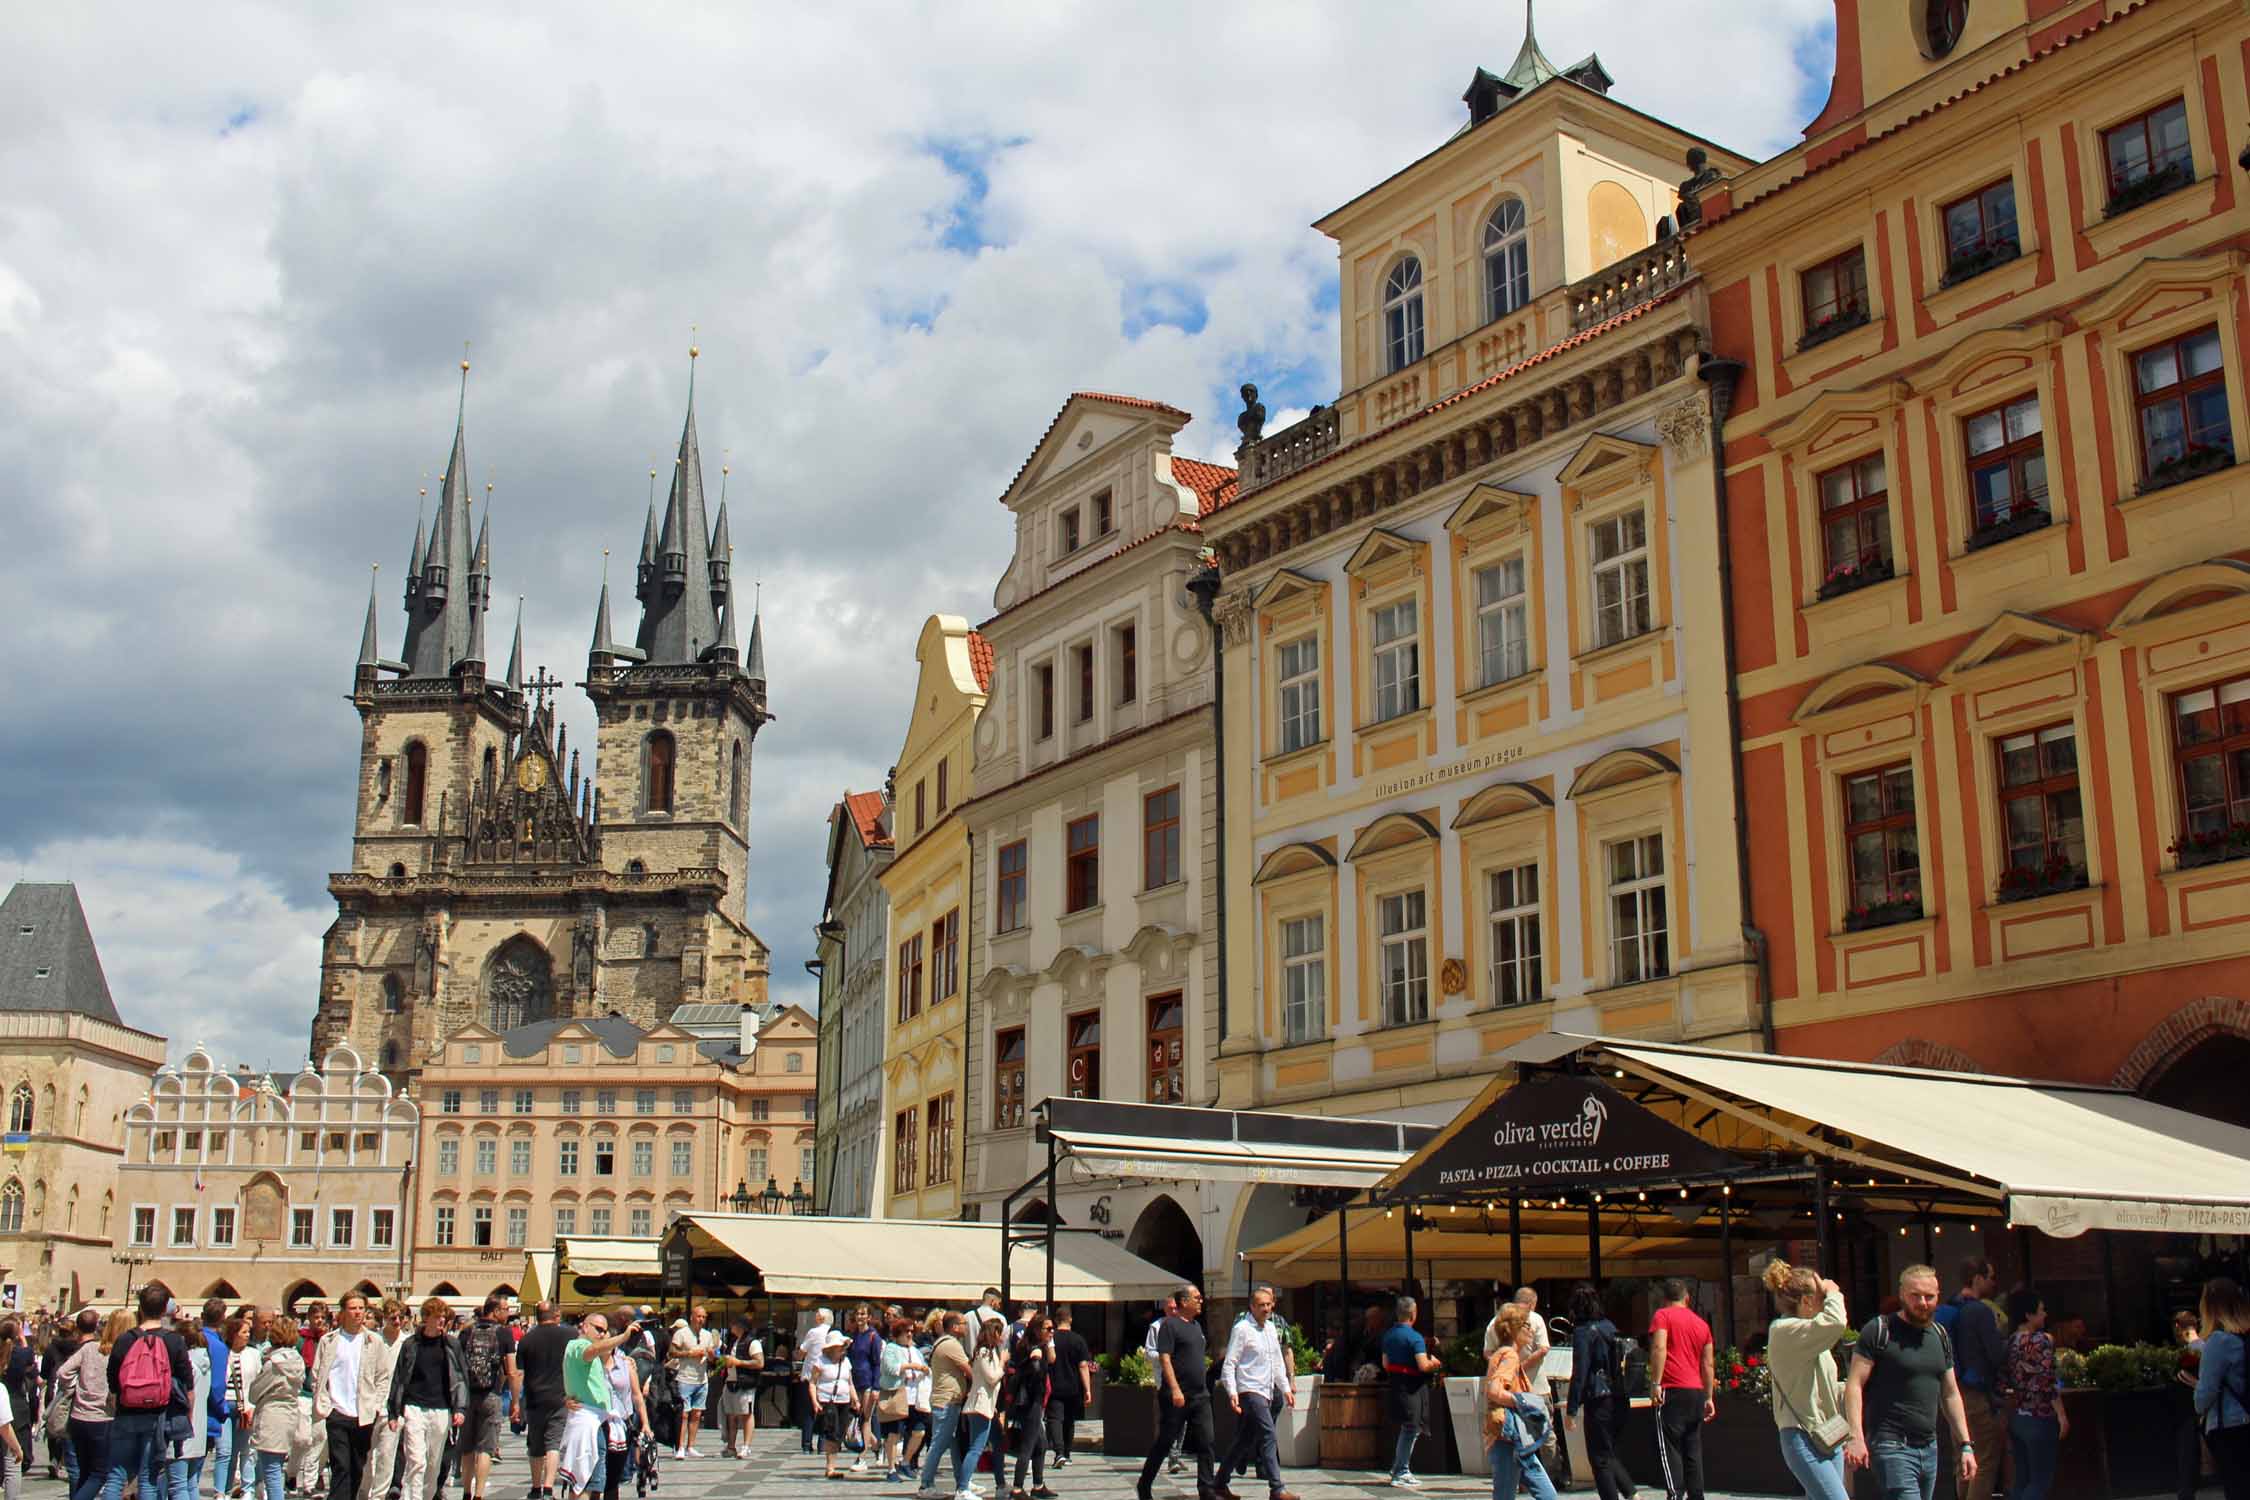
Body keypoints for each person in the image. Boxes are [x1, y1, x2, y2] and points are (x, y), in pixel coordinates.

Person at [1844, 1264, 1979, 1500]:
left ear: (1938, 1295)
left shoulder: (1940, 1335)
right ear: (1902, 1294)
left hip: (1929, 1446)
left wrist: (1965, 1445)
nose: (1923, 1303)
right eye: (1915, 1296)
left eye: (1929, 1296)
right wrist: (1855, 1436)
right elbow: (1854, 1384)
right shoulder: (1878, 1330)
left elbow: (1950, 1393)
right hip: (1891, 1444)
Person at [1761, 1260, 1851, 1500]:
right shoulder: (1784, 1330)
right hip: (1801, 1435)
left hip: (1830, 1433)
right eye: (1820, 1296)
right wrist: (1834, 1292)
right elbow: (1837, 1322)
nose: (1825, 1300)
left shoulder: (1810, 1334)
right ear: (1806, 1301)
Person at [99, 1283, 193, 1500]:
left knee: (115, 1475)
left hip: (126, 1412)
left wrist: (118, 1400)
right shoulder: (174, 1341)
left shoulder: (125, 1339)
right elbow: (187, 1384)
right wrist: (186, 1417)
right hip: (159, 1416)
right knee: (148, 1477)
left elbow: (112, 1379)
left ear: (139, 1308)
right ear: (164, 1310)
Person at [1217, 1284, 1300, 1500]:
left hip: (1268, 1390)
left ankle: (1219, 1482)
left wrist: (1285, 1388)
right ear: (1252, 1307)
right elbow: (1230, 1363)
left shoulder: (1272, 1329)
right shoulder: (1242, 1329)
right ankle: (1277, 1488)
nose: (1266, 1309)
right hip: (1250, 1390)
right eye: (1261, 1305)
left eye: (1268, 1305)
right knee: (1269, 1433)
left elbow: (1277, 1362)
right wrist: (1232, 1392)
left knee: (1244, 1440)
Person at [1933, 1259, 2004, 1500]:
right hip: (1976, 1394)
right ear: (1977, 1278)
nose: (1994, 1283)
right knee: (1983, 1461)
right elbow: (1996, 1355)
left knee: (1962, 1459)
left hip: (1952, 1394)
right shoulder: (1980, 1311)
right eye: (1991, 1277)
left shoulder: (1950, 1307)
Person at [382, 1299, 465, 1500]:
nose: (442, 1321)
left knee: (434, 1462)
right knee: (416, 1460)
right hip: (414, 1407)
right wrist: (393, 1412)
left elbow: (460, 1377)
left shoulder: (451, 1345)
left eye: (444, 1317)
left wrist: (460, 1408)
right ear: (426, 1318)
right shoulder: (411, 1345)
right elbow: (399, 1378)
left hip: (441, 1408)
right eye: (437, 1316)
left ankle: (427, 1496)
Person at [1138, 1286, 1215, 1500]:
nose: (1201, 1301)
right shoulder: (1169, 1326)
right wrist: (1175, 1389)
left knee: (1207, 1441)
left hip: (1200, 1396)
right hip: (1177, 1396)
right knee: (1165, 1441)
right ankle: (1144, 1484)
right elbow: (1164, 1358)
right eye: (1197, 1298)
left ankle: (1206, 1489)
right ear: (1183, 1302)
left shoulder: (1197, 1326)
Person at [1648, 1278, 1716, 1500]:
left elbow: (1659, 1347)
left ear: (1665, 1299)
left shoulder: (1662, 1316)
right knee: (1692, 1450)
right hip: (1696, 1390)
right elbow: (1707, 1363)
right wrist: (1709, 1397)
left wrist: (1655, 1383)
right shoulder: (1702, 1324)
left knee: (1670, 1449)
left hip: (1672, 1387)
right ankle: (1697, 1496)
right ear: (1687, 1298)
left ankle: (1675, 1495)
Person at [1563, 1284, 1632, 1500]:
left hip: (1599, 1398)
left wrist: (1572, 1409)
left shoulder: (1583, 1332)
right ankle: (1632, 1493)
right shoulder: (1609, 1326)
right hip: (1620, 1396)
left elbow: (1580, 1372)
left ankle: (1621, 1495)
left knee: (1599, 1458)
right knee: (1609, 1453)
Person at [1483, 1303, 1558, 1500]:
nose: (1531, 1329)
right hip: (1511, 1436)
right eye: (1526, 1325)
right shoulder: (1510, 1356)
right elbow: (1494, 1390)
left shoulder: (1499, 1354)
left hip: (1506, 1437)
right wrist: (1524, 1402)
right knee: (1546, 1494)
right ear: (1515, 1329)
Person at [555, 1311, 632, 1500]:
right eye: (598, 1329)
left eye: (605, 1331)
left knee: (593, 1483)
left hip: (598, 1420)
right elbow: (591, 1351)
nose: (602, 1334)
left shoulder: (591, 1352)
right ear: (585, 1326)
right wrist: (623, 1337)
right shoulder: (579, 1345)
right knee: (586, 1482)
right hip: (588, 1422)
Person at [2000, 1288, 2064, 1500]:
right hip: (2040, 1416)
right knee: (2040, 1482)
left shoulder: (2009, 1342)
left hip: (2017, 1417)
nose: (2045, 1314)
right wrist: (2062, 1416)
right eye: (2041, 1310)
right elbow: (2048, 1381)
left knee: (2022, 1479)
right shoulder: (2042, 1340)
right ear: (2028, 1315)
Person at [2194, 1276, 2250, 1499]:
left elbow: (2205, 1394)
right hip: (2247, 1418)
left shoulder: (2219, 1341)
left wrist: (2197, 1394)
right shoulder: (2243, 1337)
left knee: (2236, 1488)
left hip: (2229, 1424)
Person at [458, 1294, 516, 1500]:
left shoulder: (466, 1332)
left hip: (466, 1396)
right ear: (495, 1311)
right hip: (492, 1394)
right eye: (506, 1309)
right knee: (485, 1448)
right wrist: (515, 1401)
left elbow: (458, 1367)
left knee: (467, 1448)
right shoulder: (504, 1333)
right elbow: (512, 1370)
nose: (508, 1313)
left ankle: (466, 1491)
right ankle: (479, 1494)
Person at [1380, 1294, 1442, 1490]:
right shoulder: (1415, 1337)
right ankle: (1401, 1471)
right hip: (1413, 1387)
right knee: (1411, 1428)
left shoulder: (1388, 1335)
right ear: (1413, 1314)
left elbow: (1385, 1363)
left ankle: (1398, 1468)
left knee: (1407, 1428)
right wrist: (1435, 1364)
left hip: (1396, 1384)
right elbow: (1423, 1365)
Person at [513, 1302, 572, 1500]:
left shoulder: (527, 1339)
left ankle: (536, 1487)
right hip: (561, 1397)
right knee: (554, 1443)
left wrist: (516, 1403)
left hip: (534, 1398)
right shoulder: (570, 1335)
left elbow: (519, 1373)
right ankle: (548, 1488)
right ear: (555, 1315)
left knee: (536, 1444)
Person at [595, 1307, 649, 1500]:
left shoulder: (625, 1363)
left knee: (613, 1478)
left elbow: (636, 1396)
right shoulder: (589, 1363)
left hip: (620, 1426)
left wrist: (646, 1424)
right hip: (597, 1426)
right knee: (594, 1478)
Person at [246, 1317, 303, 1500]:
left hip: (271, 1416)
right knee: (275, 1467)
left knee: (271, 1472)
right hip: (290, 1415)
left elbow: (254, 1393)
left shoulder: (274, 1364)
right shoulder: (297, 1361)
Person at [358, 1300, 410, 1500]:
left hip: (394, 1407)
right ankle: (364, 1491)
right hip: (370, 1405)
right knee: (368, 1455)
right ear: (384, 1319)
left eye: (400, 1317)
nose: (397, 1321)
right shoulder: (373, 1341)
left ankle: (379, 1496)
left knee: (387, 1455)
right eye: (392, 1317)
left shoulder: (408, 1343)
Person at [918, 1313, 970, 1500]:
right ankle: (926, 1485)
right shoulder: (951, 1345)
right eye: (964, 1323)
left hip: (947, 1400)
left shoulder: (943, 1342)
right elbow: (969, 1370)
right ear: (955, 1326)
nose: (966, 1327)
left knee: (953, 1444)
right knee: (939, 1444)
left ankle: (962, 1481)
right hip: (947, 1401)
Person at [212, 1316, 259, 1500]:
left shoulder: (253, 1354)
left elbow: (256, 1381)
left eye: (248, 1332)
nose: (247, 1335)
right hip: (225, 1405)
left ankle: (248, 1488)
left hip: (246, 1406)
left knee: (246, 1450)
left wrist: (253, 1406)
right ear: (233, 1334)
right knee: (225, 1451)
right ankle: (221, 1490)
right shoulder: (223, 1352)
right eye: (244, 1332)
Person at [958, 1318, 1004, 1500]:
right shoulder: (984, 1352)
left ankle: (1001, 1484)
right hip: (979, 1407)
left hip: (988, 1408)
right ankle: (962, 1489)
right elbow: (992, 1378)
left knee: (997, 1444)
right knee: (976, 1448)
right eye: (999, 1332)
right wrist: (1002, 1364)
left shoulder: (991, 1352)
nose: (1001, 1337)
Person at [804, 1329, 856, 1481]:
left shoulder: (846, 1361)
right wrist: (815, 1402)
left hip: (844, 1401)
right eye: (840, 1347)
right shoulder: (820, 1361)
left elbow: (850, 1382)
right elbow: (812, 1383)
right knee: (831, 1433)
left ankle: (832, 1465)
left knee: (840, 1433)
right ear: (832, 1348)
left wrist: (855, 1400)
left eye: (843, 1347)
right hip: (827, 1400)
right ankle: (830, 1467)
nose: (842, 1349)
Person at [879, 1317, 925, 1484]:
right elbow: (891, 1368)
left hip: (916, 1397)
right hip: (898, 1394)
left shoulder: (916, 1350)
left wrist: (923, 1370)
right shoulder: (891, 1348)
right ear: (898, 1334)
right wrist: (911, 1366)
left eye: (912, 1331)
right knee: (893, 1434)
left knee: (919, 1431)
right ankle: (891, 1469)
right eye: (907, 1331)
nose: (910, 1334)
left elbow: (923, 1367)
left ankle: (905, 1461)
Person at [664, 1309, 715, 1462]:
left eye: (704, 1317)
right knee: (683, 1414)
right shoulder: (682, 1333)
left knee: (697, 1414)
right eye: (699, 1316)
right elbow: (671, 1352)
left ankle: (691, 1446)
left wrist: (711, 1355)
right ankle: (679, 1447)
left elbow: (712, 1357)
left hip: (702, 1379)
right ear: (692, 1317)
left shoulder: (707, 1335)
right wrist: (689, 1353)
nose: (701, 1319)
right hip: (685, 1378)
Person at [1044, 1309, 1091, 1471]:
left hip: (1054, 1384)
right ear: (1070, 1319)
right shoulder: (1078, 1340)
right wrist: (1088, 1389)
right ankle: (1068, 1454)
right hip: (1073, 1386)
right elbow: (1083, 1365)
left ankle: (1058, 1452)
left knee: (1055, 1419)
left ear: (1056, 1321)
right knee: (1069, 1420)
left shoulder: (1051, 1338)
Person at [715, 1315, 762, 1460]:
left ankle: (746, 1446)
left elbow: (759, 1363)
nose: (731, 1327)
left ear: (740, 1326)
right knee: (731, 1415)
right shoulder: (733, 1342)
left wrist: (739, 1362)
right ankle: (731, 1446)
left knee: (746, 1414)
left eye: (733, 1324)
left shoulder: (752, 1343)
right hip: (730, 1382)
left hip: (745, 1383)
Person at [2177, 1308, 2210, 1500]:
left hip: (2194, 1409)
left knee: (2190, 1451)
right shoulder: (2203, 1346)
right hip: (2199, 1408)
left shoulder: (2193, 1349)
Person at [845, 1309, 882, 1472]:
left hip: (868, 1382)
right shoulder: (853, 1336)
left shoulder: (873, 1336)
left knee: (865, 1420)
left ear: (869, 1317)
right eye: (857, 1314)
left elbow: (877, 1363)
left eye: (862, 1314)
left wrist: (876, 1386)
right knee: (858, 1419)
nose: (859, 1317)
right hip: (854, 1381)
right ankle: (878, 1446)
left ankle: (862, 1457)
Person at [794, 1310, 834, 1456]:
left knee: (809, 1412)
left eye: (816, 1314)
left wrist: (798, 1354)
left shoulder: (814, 1332)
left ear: (821, 1318)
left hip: (811, 1375)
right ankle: (822, 1444)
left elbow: (802, 1351)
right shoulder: (833, 1332)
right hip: (827, 1375)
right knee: (825, 1410)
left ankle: (806, 1444)